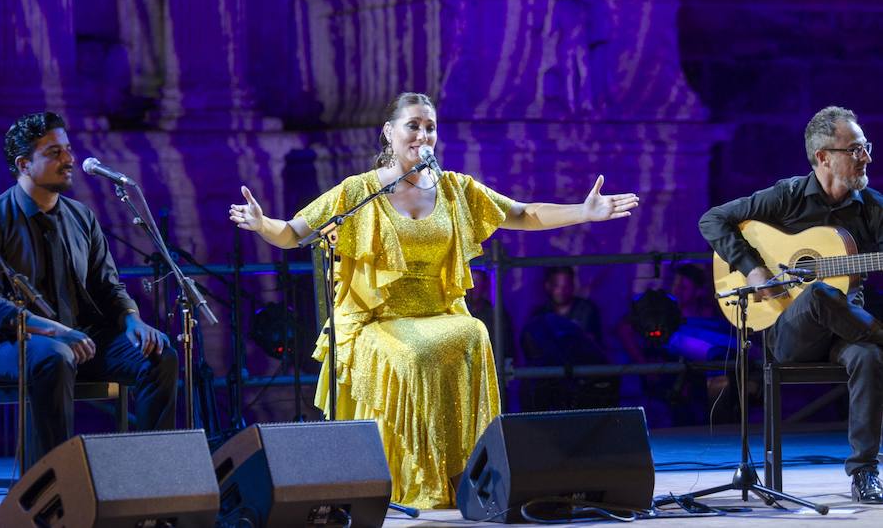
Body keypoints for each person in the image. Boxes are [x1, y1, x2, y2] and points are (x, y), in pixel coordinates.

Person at [229, 92, 639, 508]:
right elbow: (294, 232)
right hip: (378, 320)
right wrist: (263, 224)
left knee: (474, 331)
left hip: (439, 312)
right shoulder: (358, 191)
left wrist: (583, 212)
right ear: (389, 133)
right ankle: (408, 478)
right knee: (416, 353)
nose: (423, 135)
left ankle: (472, 472)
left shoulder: (455, 188)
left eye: (430, 127)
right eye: (413, 125)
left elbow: (521, 213)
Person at [699, 105, 883, 503]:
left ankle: (865, 471)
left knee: (867, 355)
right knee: (818, 293)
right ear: (823, 157)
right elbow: (712, 219)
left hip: (846, 330)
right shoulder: (787, 197)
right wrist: (752, 269)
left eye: (866, 146)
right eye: (855, 149)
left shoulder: (873, 208)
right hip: (789, 333)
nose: (866, 157)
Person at [0, 112, 178, 465]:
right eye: (54, 153)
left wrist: (132, 319)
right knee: (54, 356)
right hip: (14, 344)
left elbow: (108, 285)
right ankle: (51, 484)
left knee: (159, 355)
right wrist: (57, 332)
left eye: (68, 150)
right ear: (24, 164)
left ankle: (153, 470)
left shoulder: (80, 216)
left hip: (82, 341)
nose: (69, 160)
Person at [520, 266, 615, 411]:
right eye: (557, 285)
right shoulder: (540, 314)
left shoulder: (586, 309)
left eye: (567, 285)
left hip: (582, 378)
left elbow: (593, 347)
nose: (562, 290)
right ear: (548, 286)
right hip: (551, 379)